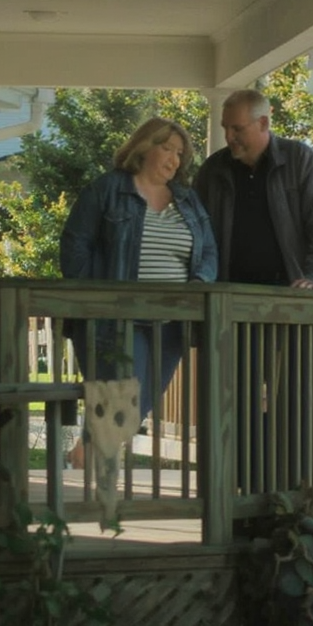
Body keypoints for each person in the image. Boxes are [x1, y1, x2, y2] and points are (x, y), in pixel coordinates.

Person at [60, 116, 218, 421]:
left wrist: (199, 281)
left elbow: (209, 250)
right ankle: (91, 453)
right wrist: (96, 296)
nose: (174, 160)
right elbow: (74, 247)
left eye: (180, 154)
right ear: (145, 147)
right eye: (167, 149)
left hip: (172, 323)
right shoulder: (106, 190)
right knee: (121, 407)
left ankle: (88, 450)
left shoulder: (187, 200)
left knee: (140, 406)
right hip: (118, 318)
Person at [194, 88, 313, 288]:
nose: (228, 137)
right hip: (227, 296)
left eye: (237, 129)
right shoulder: (213, 170)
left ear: (263, 123)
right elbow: (197, 233)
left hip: (288, 295)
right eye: (225, 128)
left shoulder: (299, 160)